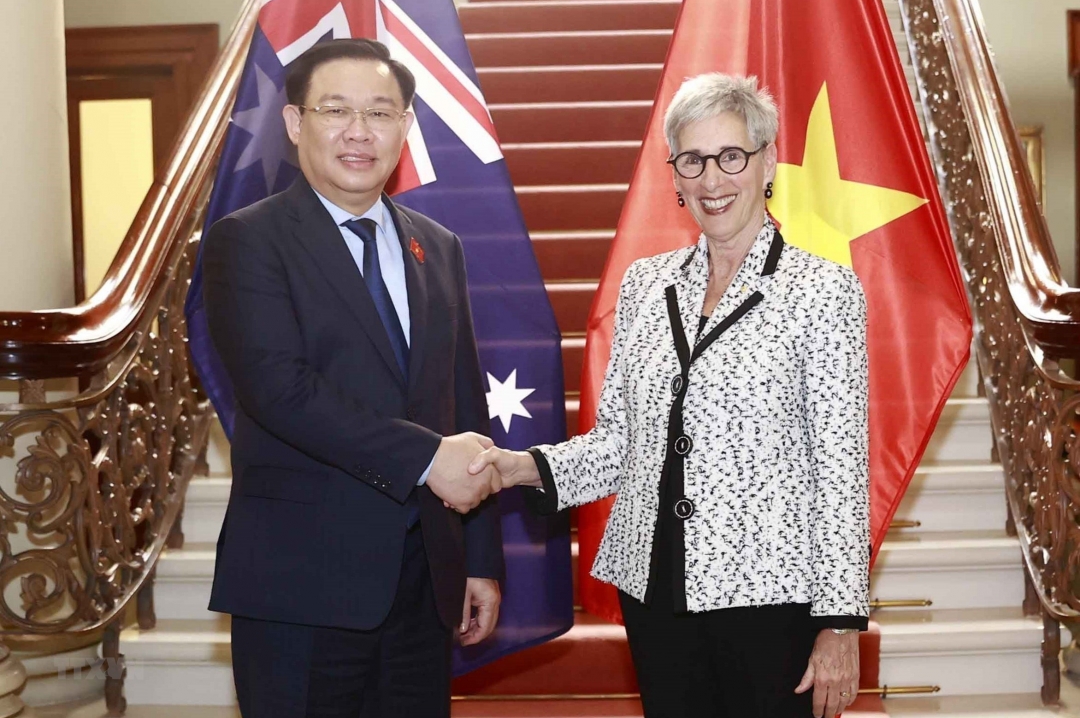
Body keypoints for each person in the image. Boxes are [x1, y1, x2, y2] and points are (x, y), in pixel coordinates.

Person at [469, 73, 869, 718]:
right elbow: (620, 444)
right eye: (692, 160)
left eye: (731, 156)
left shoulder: (823, 291)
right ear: (675, 175)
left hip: (773, 600)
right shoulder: (645, 286)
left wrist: (841, 621)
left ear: (767, 161)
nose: (712, 179)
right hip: (656, 592)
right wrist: (520, 467)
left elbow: (841, 469)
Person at [202, 38, 505, 718]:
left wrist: (479, 557)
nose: (359, 132)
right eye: (336, 110)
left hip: (423, 585)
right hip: (301, 586)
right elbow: (280, 390)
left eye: (380, 112)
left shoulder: (438, 247)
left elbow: (464, 403)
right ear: (294, 123)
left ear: (406, 126)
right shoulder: (248, 240)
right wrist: (427, 457)